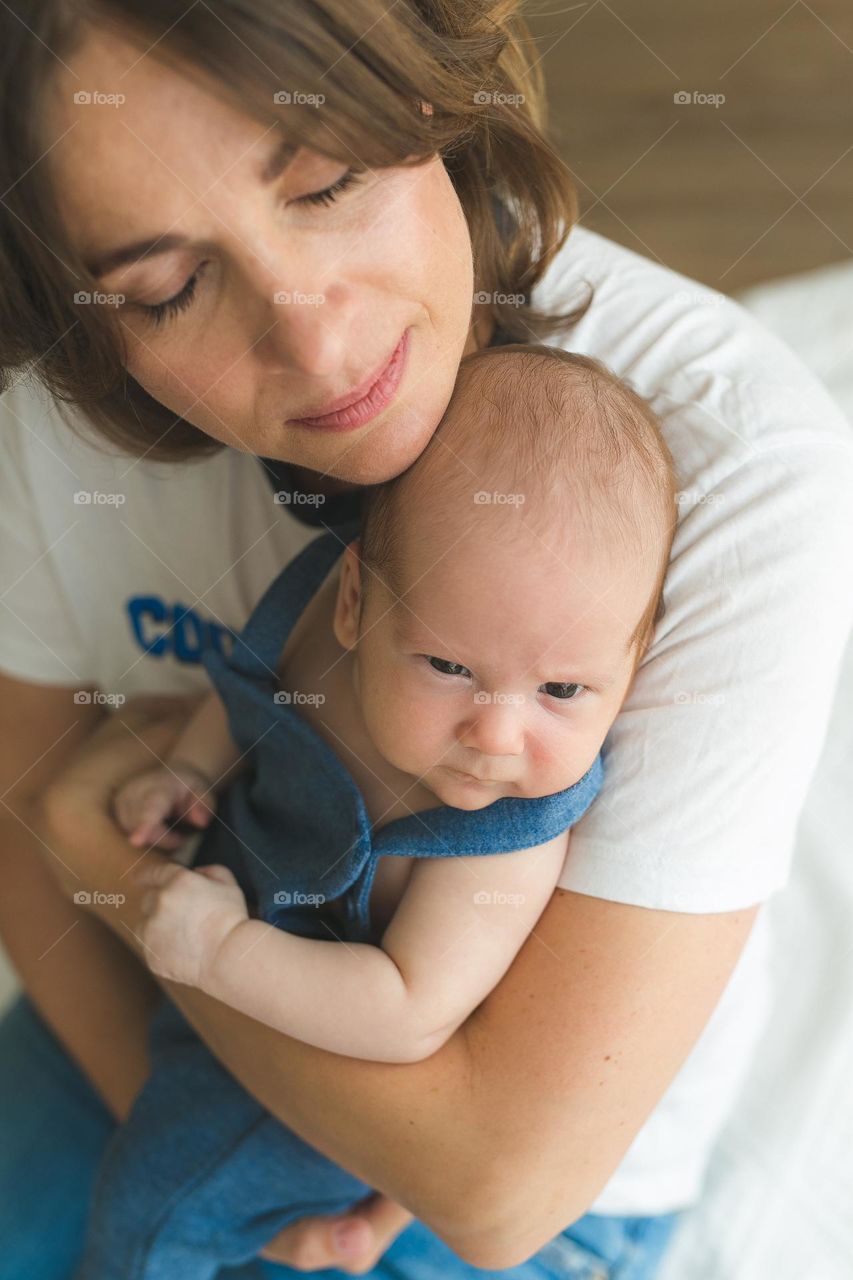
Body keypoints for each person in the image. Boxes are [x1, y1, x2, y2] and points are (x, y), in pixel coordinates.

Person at [1, 2, 852, 1278]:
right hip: (157, 1018)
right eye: (170, 290)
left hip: (468, 1162)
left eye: (327, 184)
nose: (315, 338)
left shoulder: (733, 464)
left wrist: (105, 861)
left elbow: (495, 1187)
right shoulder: (61, 394)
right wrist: (177, 1153)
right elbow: (22, 821)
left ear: (423, 92)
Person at [73, 346, 676, 1278]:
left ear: (631, 667)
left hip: (311, 1085)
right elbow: (246, 699)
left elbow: (405, 1013)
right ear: (355, 602)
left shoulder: (501, 846)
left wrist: (222, 956)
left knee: (150, 1211)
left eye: (562, 689)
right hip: (199, 978)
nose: (497, 733)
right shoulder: (317, 625)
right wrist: (188, 771)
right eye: (448, 667)